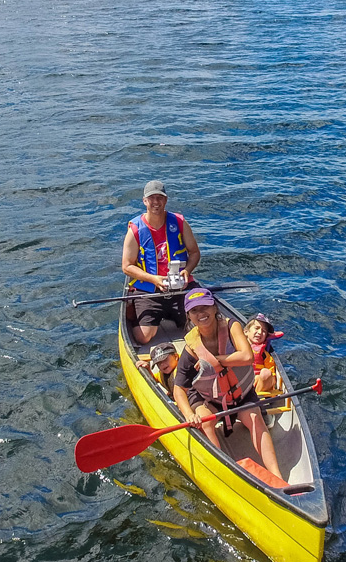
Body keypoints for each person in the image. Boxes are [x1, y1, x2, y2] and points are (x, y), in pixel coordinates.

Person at [172, 288, 283, 481]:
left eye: (205, 307)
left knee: (255, 418)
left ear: (214, 308)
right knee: (206, 423)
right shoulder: (191, 348)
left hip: (240, 393)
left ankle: (278, 477)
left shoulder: (232, 327)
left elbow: (247, 356)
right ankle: (225, 472)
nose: (201, 314)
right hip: (208, 398)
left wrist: (215, 359)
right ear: (189, 316)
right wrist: (189, 415)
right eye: (195, 310)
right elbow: (179, 389)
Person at [121, 180, 201, 345]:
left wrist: (187, 270)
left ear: (166, 200)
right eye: (151, 198)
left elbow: (194, 253)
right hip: (150, 289)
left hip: (179, 287)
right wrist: (154, 279)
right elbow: (127, 266)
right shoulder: (135, 229)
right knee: (143, 337)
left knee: (203, 323)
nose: (156, 202)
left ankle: (180, 317)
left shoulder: (179, 223)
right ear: (145, 201)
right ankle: (134, 312)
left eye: (160, 198)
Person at [244, 314, 282, 398]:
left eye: (264, 331)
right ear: (246, 331)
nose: (260, 332)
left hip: (259, 385)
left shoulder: (264, 354)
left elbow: (271, 372)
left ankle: (258, 399)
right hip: (241, 383)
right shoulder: (237, 347)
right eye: (256, 328)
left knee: (266, 373)